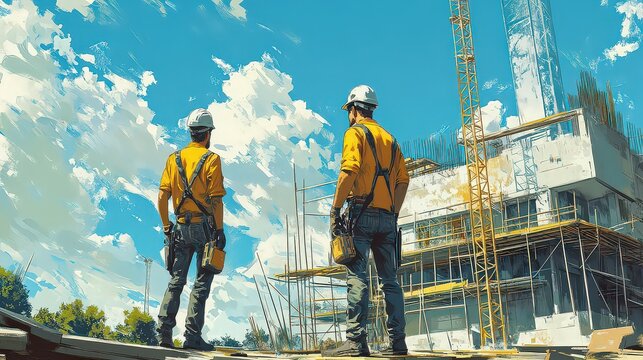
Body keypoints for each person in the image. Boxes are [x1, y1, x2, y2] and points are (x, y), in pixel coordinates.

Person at [325, 85, 410, 357]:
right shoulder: (391, 139)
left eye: (348, 111)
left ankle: (356, 342)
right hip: (387, 218)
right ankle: (398, 343)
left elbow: (349, 170)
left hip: (360, 215)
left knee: (357, 276)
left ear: (353, 109)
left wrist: (335, 208)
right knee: (390, 281)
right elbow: (403, 180)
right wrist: (392, 211)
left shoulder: (354, 133)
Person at [156, 108, 226, 350]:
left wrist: (167, 226)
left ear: (191, 132)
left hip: (181, 227)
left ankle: (164, 334)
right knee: (201, 283)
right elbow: (216, 200)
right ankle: (192, 338)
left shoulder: (173, 159)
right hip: (205, 227)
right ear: (208, 135)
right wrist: (219, 230)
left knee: (176, 281)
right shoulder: (212, 160)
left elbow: (162, 197)